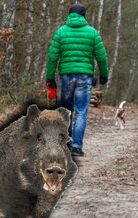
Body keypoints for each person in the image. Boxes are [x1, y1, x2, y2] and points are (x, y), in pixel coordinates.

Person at [45, 4, 109, 156]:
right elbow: (101, 56)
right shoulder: (92, 33)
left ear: (69, 15)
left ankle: (66, 144)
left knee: (66, 111)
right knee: (81, 111)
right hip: (85, 76)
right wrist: (104, 74)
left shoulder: (60, 32)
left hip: (66, 76)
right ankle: (77, 146)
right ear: (83, 15)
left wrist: (50, 77)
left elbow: (52, 56)